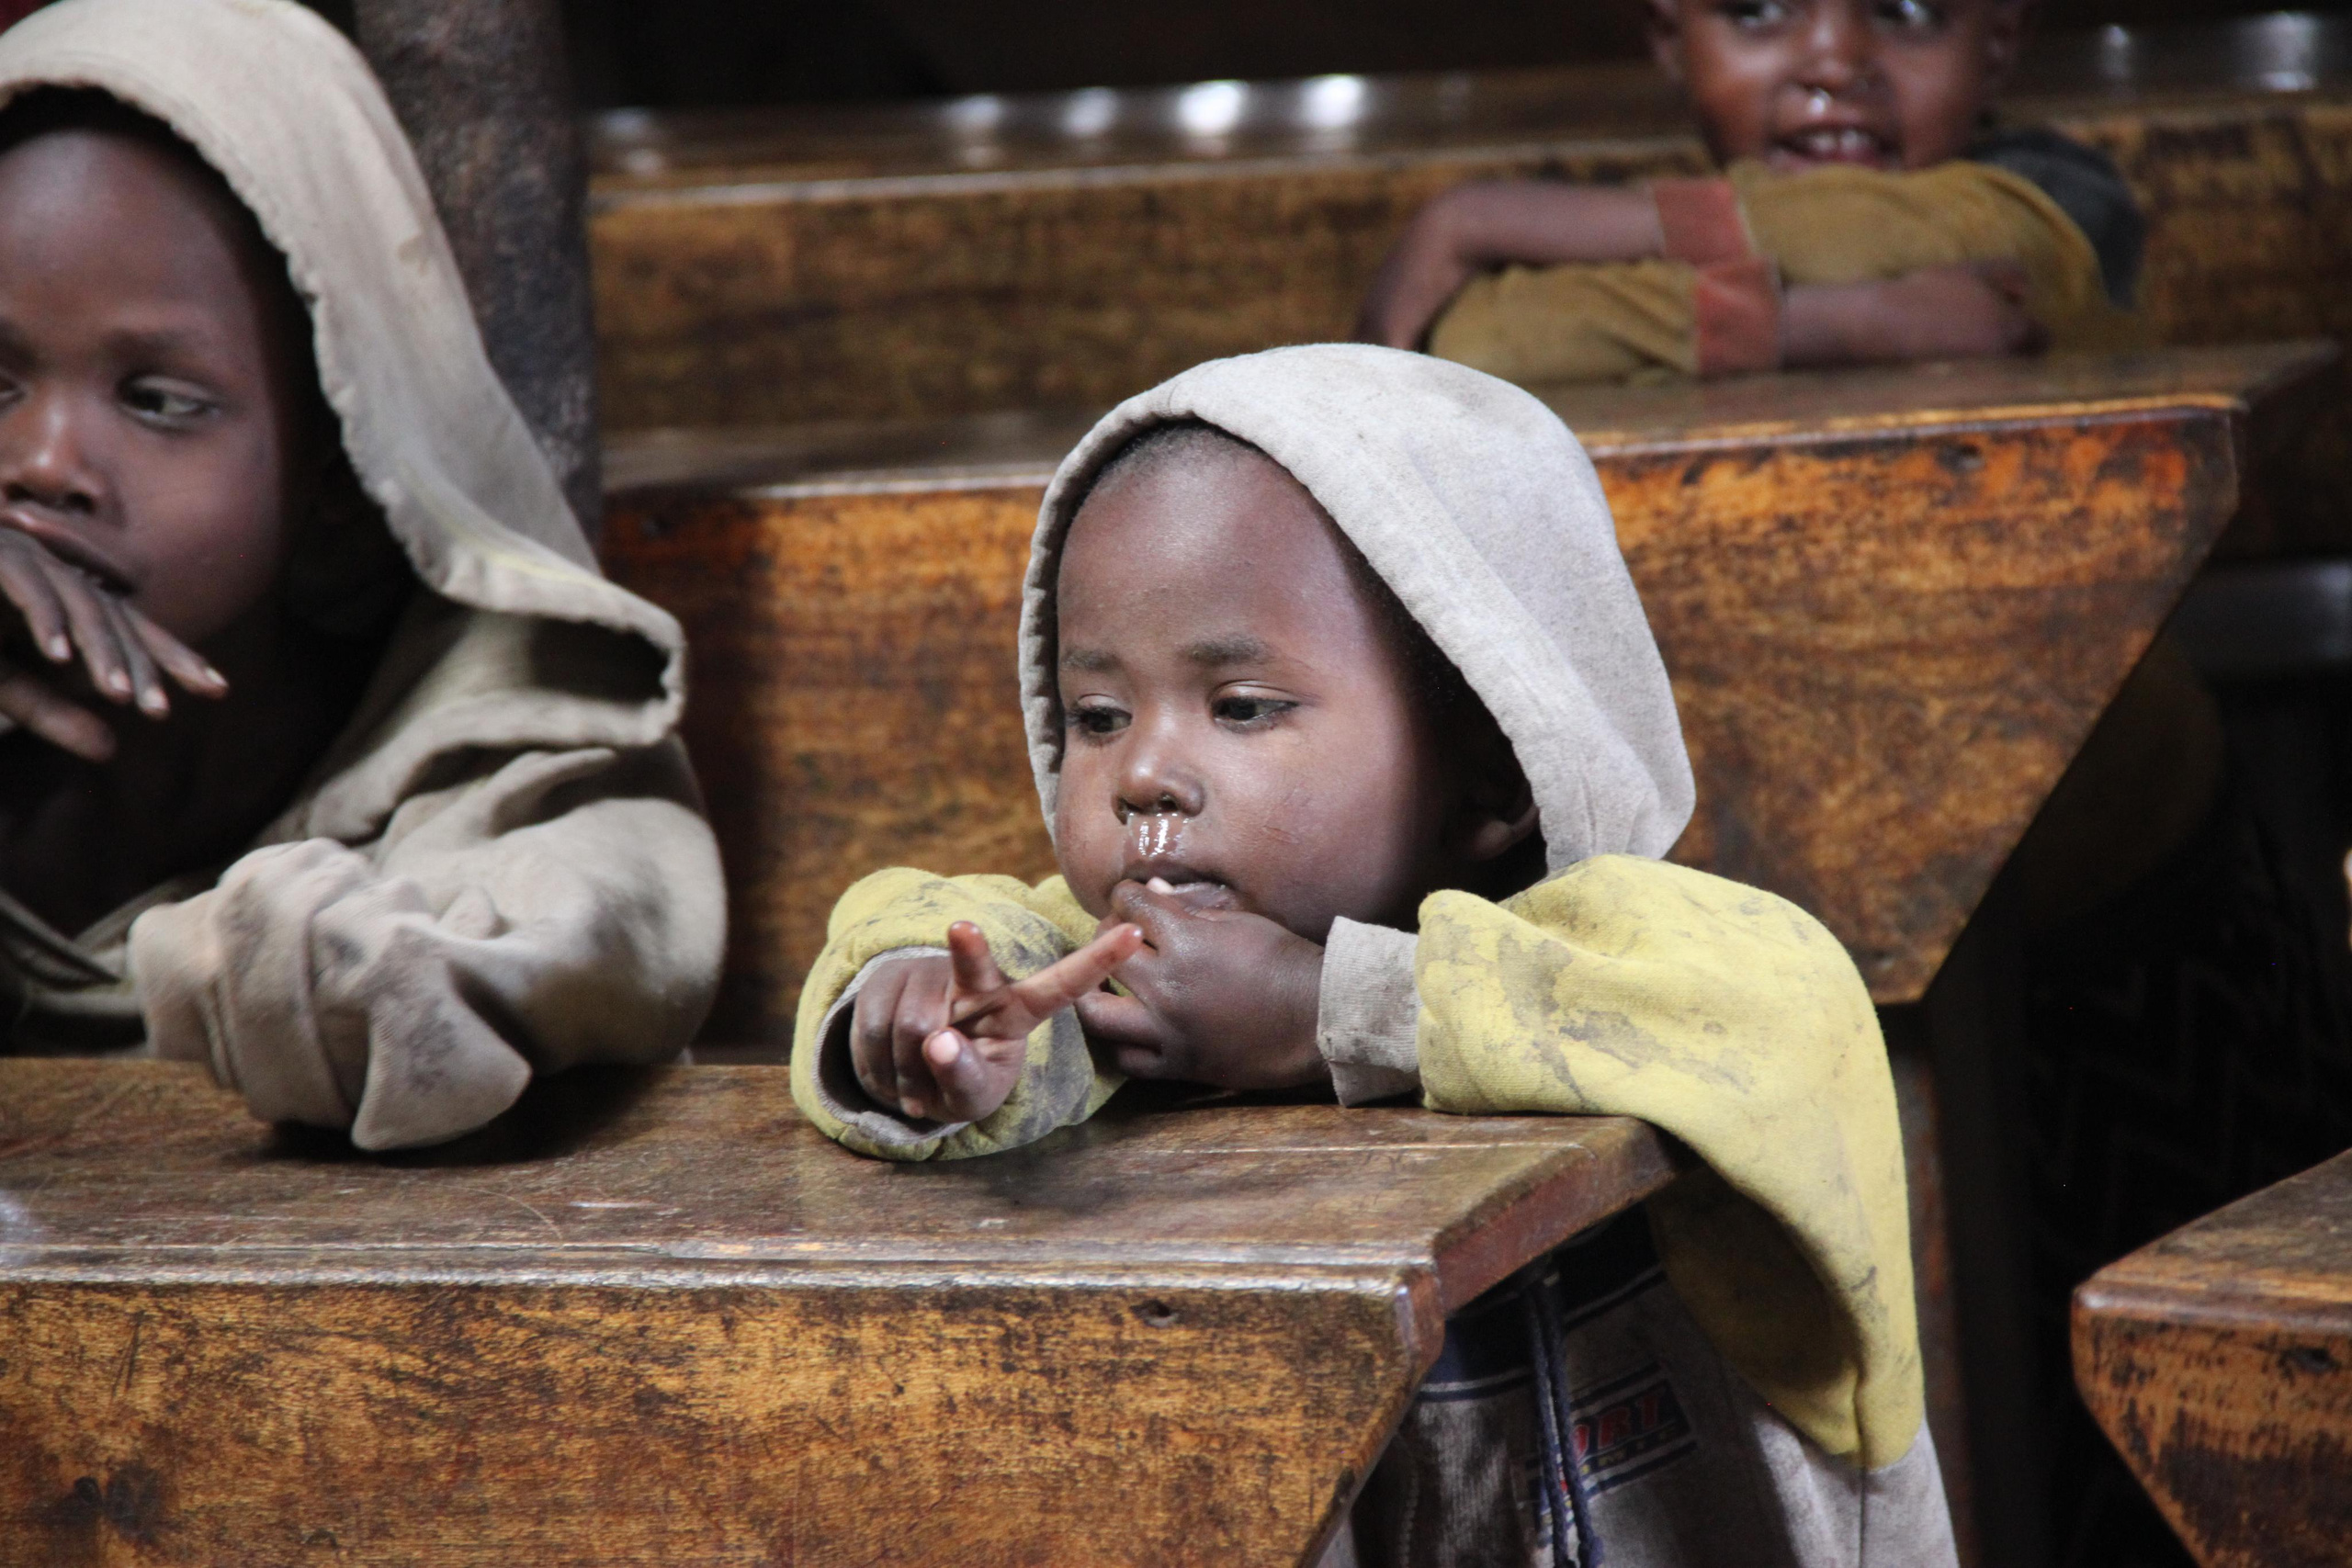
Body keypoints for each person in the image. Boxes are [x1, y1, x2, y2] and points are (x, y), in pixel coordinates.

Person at [793, 344, 1957, 1566]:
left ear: (1494, 762)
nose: (1142, 769)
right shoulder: (1124, 959)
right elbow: (945, 920)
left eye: (1241, 705)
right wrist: (922, 1016)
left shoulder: (1642, 946)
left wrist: (1325, 1008)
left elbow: (1784, 1014)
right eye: (1098, 716)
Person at [0, 0, 725, 1150]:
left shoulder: (499, 766)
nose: (42, 465)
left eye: (160, 402)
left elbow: (565, 936)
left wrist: (344, 963)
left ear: (349, 460)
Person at [1359, 0, 2147, 383]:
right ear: (1673, 39)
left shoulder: (2056, 207)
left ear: (2000, 39)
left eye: (1907, 10)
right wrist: (1838, 324)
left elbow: (1849, 234)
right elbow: (1483, 345)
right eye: (1760, 9)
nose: (1834, 63)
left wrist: (1479, 218)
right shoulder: (1643, 249)